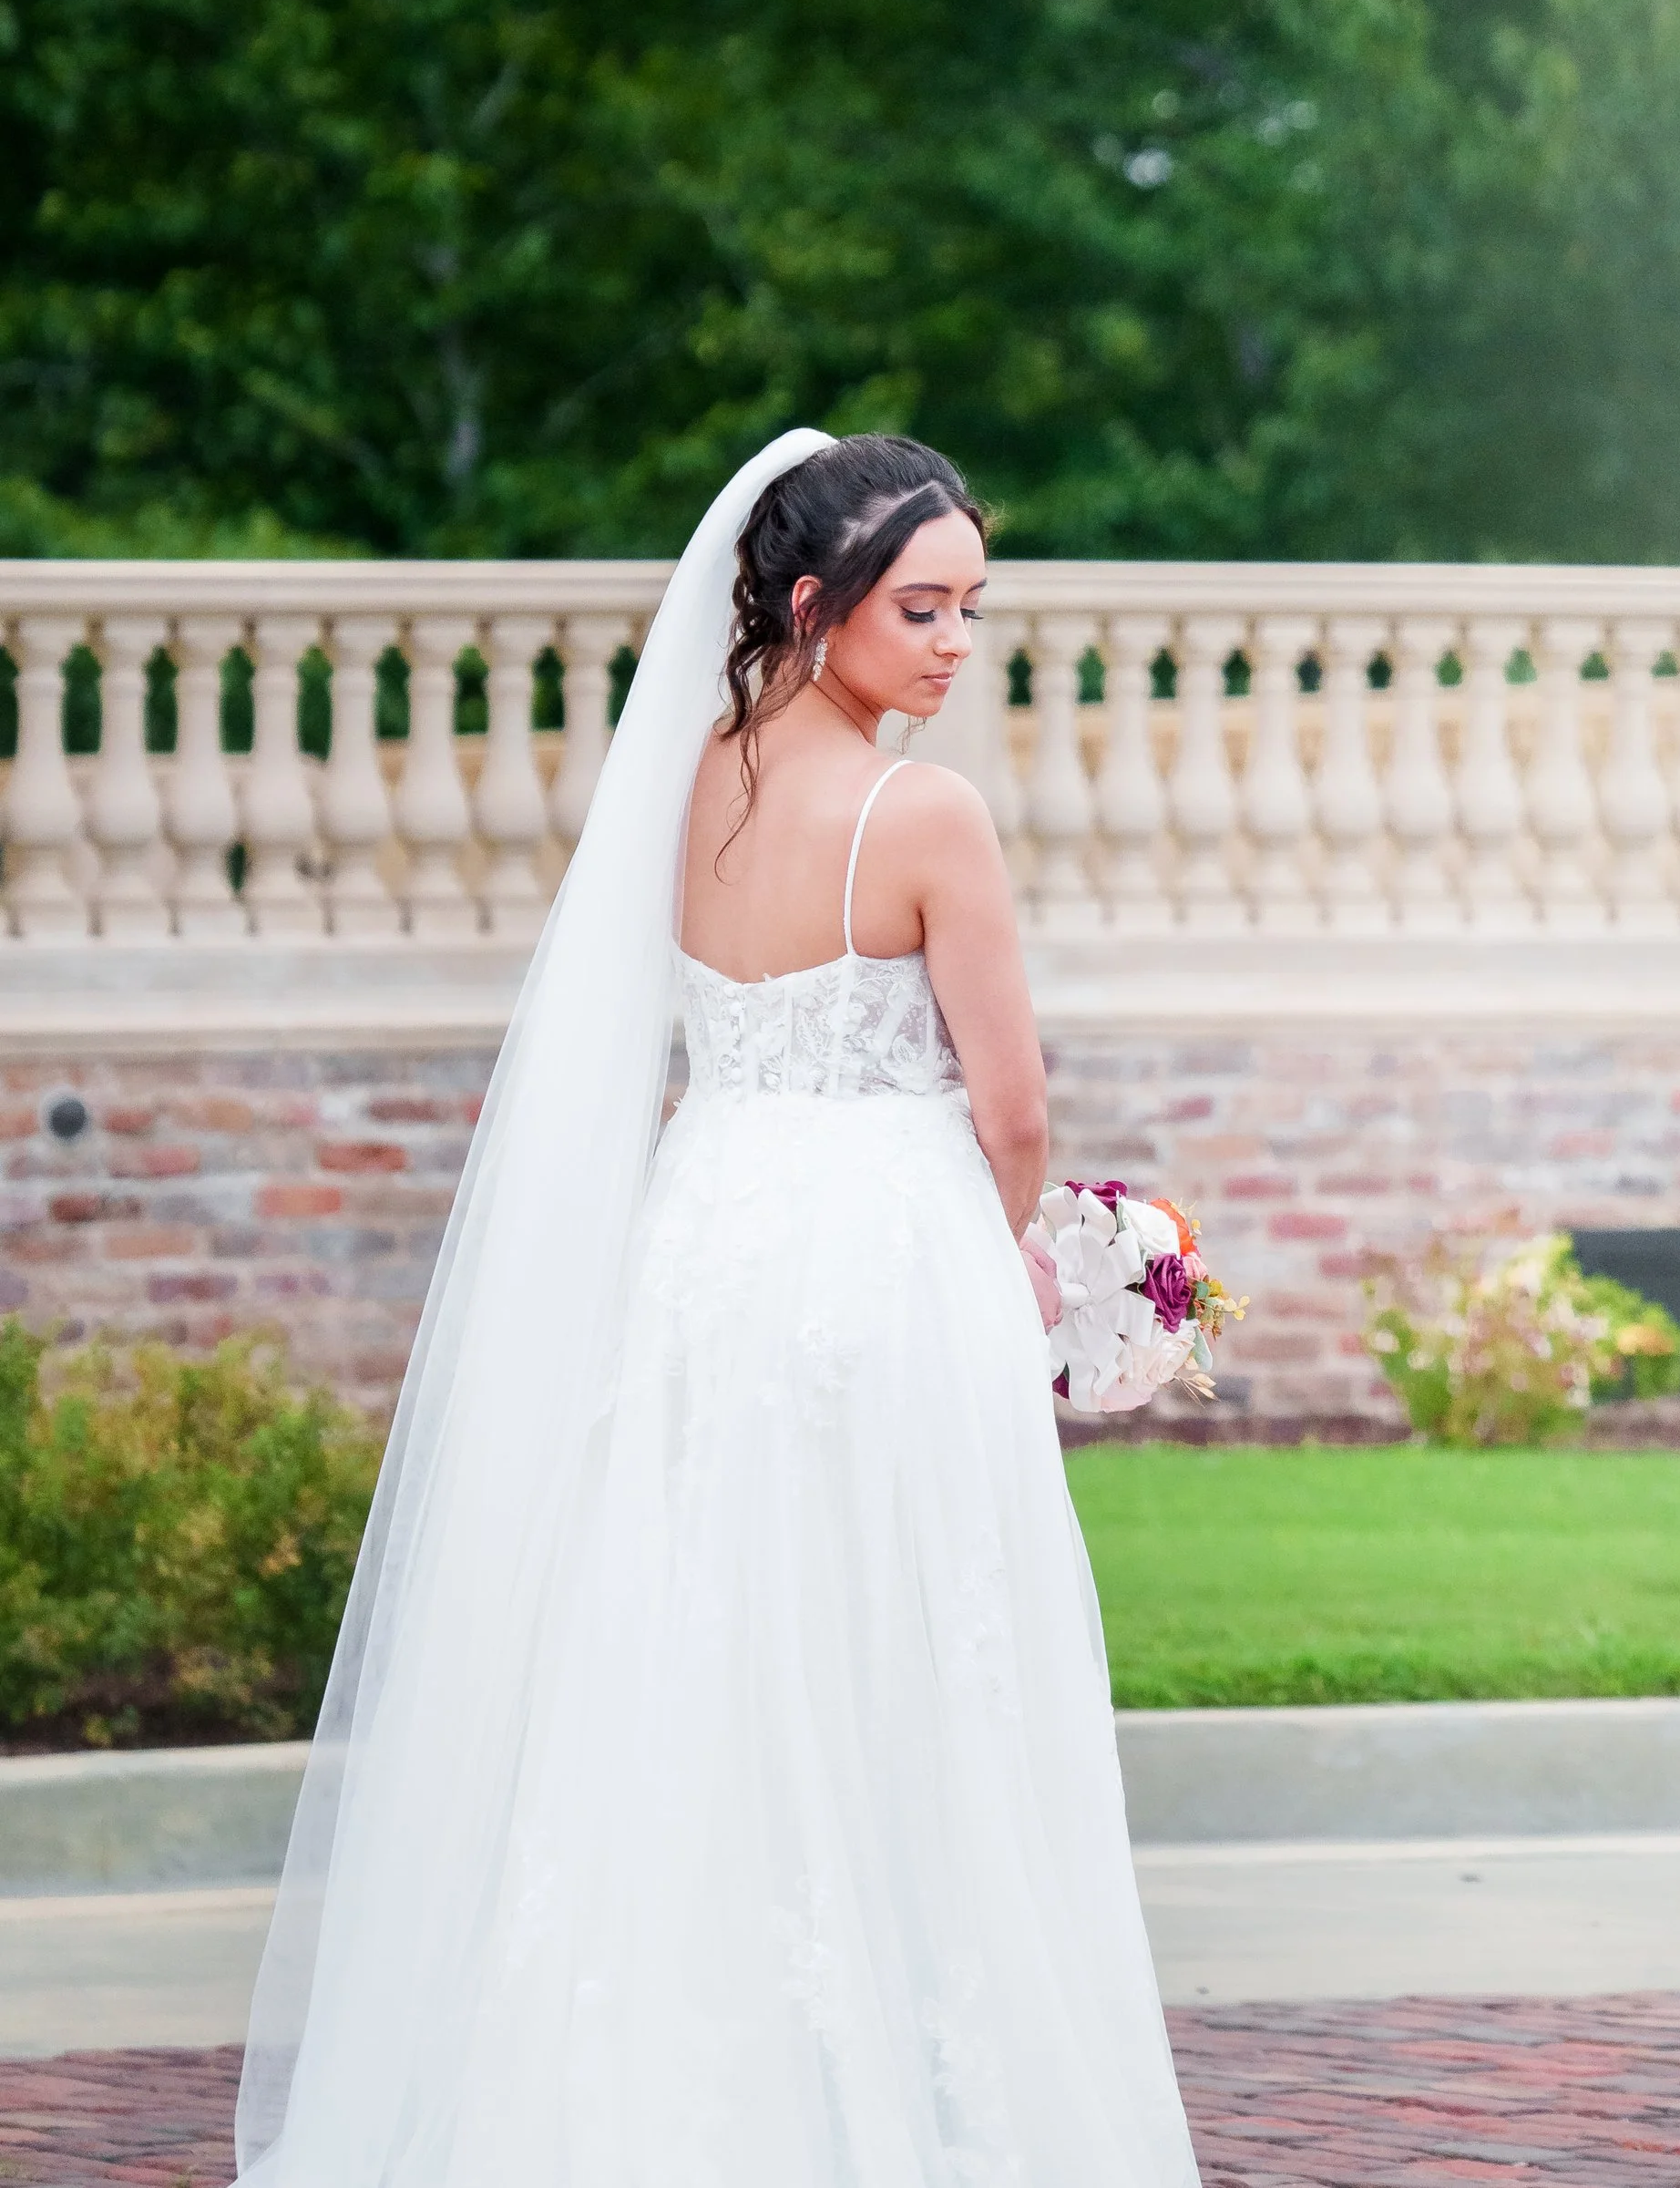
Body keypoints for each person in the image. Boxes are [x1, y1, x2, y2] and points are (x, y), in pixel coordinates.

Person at [236, 430, 1200, 2188]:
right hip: (885, 1249)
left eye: (974, 610)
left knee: (698, 1659)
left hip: (705, 1250)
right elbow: (1015, 1111)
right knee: (911, 1666)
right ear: (815, 602)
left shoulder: (681, 785)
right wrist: (1020, 1280)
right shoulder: (925, 814)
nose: (953, 647)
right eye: (922, 608)